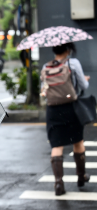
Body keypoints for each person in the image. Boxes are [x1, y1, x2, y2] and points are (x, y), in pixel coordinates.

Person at [42, 42, 90, 196]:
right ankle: (81, 176)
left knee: (56, 145)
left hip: (53, 110)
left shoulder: (46, 67)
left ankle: (58, 183)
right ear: (68, 50)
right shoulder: (73, 63)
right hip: (71, 108)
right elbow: (84, 85)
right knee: (78, 142)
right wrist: (85, 80)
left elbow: (43, 90)